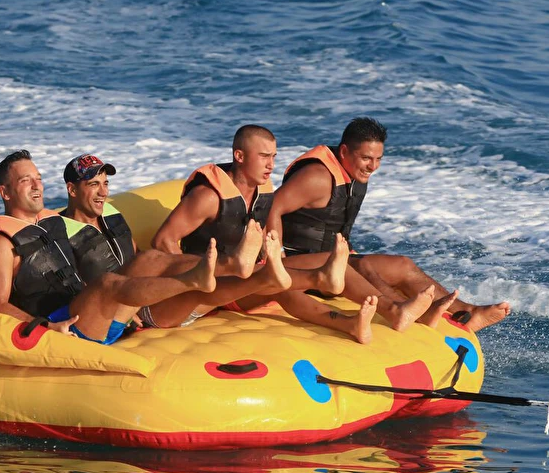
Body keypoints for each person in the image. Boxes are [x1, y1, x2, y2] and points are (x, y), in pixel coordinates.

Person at [268, 117, 511, 333]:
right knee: (359, 265)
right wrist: (276, 259)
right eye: (366, 158)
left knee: (402, 265)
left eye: (378, 159)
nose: (373, 166)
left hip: (330, 260)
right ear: (344, 152)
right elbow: (272, 208)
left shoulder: (354, 172)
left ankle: (468, 311)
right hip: (302, 270)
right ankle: (401, 310)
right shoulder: (317, 177)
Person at [150, 125, 381, 343]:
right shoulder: (208, 197)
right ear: (239, 156)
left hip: (237, 285)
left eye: (273, 157)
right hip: (201, 290)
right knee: (270, 279)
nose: (271, 165)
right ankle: (319, 278)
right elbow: (162, 240)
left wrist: (275, 254)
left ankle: (349, 322)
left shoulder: (261, 191)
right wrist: (191, 280)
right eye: (263, 156)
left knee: (279, 282)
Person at [0, 150, 217, 345]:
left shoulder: (51, 222)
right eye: (25, 181)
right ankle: (191, 281)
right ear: (4, 192)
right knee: (107, 282)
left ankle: (219, 267)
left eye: (38, 179)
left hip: (89, 311)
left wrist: (120, 305)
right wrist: (47, 328)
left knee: (150, 258)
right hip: (65, 326)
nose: (36, 186)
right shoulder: (0, 243)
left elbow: (76, 270)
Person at [59, 151, 312, 330]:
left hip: (142, 290)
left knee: (157, 261)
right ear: (72, 189)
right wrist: (121, 308)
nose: (104, 192)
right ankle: (243, 267)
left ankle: (306, 275)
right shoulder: (60, 231)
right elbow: (69, 290)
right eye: (94, 184)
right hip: (117, 309)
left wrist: (159, 270)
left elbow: (134, 255)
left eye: (105, 183)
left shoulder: (110, 213)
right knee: (198, 288)